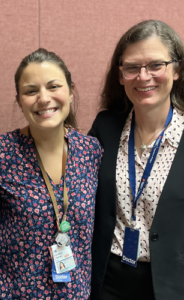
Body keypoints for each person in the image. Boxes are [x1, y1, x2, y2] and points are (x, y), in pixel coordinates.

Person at [0, 48, 102, 300]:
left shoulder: (90, 150)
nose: (44, 98)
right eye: (31, 91)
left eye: (53, 86)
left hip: (77, 293)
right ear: (19, 100)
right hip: (15, 294)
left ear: (70, 92)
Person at [88, 20, 184, 300]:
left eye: (156, 65)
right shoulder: (105, 128)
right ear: (120, 75)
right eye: (132, 67)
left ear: (176, 70)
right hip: (107, 278)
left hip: (171, 284)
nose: (143, 77)